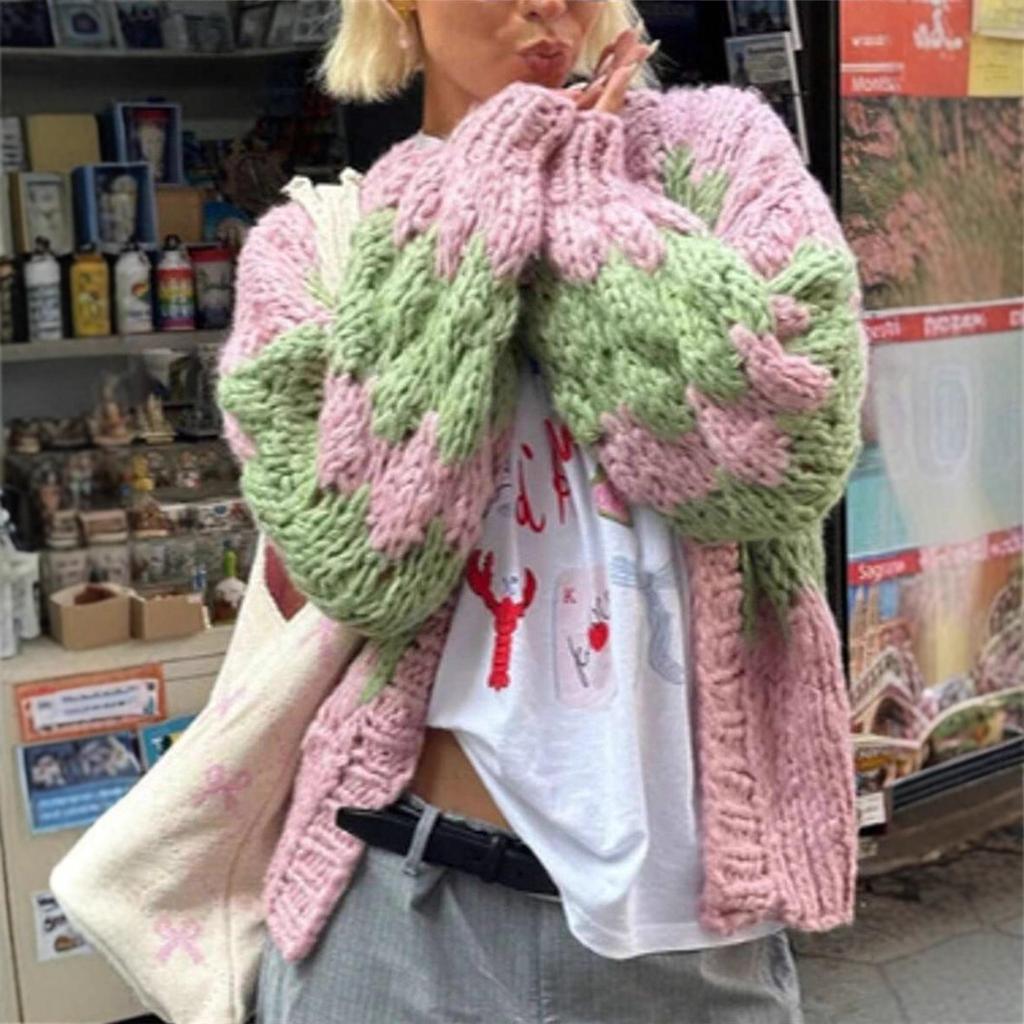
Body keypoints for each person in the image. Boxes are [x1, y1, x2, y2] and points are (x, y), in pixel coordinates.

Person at [216, 1, 867, 1021]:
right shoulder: (315, 246)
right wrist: (487, 185)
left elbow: (780, 452)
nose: (547, 3)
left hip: (691, 940)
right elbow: (366, 562)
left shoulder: (721, 155)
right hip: (399, 911)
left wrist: (583, 194)